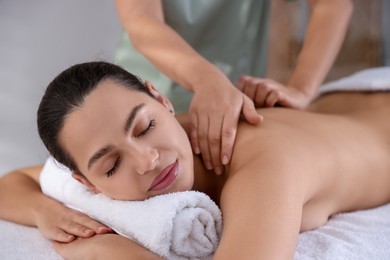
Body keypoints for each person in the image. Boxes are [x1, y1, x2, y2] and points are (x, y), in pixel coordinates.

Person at [1, 62, 390, 259]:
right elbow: (9, 183)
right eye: (111, 166)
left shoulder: (265, 164)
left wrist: (98, 251)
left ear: (161, 100)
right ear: (86, 183)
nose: (147, 159)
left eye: (144, 126)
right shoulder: (153, 139)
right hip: (339, 110)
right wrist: (42, 211)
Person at [114, 0, 353, 174]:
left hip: (235, 107)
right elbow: (140, 17)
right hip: (141, 98)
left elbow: (332, 5)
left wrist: (301, 89)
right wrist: (207, 80)